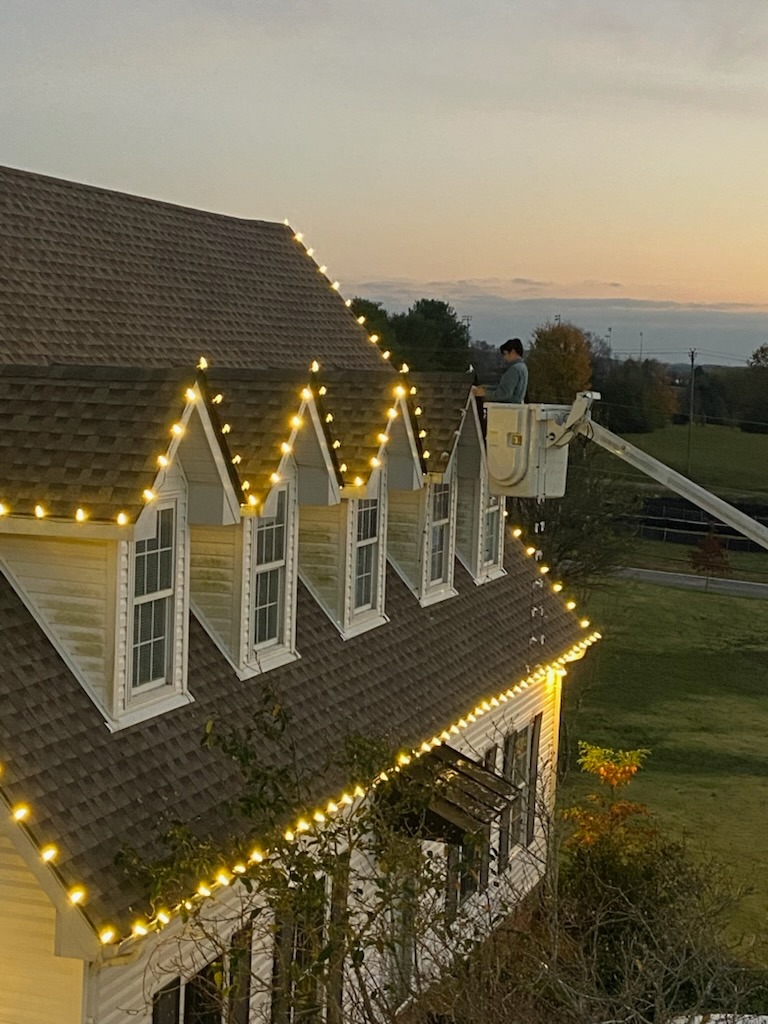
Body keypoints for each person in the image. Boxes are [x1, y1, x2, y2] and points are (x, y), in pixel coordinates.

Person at [472, 338, 528, 403]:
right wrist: (486, 388)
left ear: (513, 352)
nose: (504, 358)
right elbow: (503, 388)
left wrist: (485, 393)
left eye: (505, 354)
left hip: (507, 409)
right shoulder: (523, 367)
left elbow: (505, 393)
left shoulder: (514, 369)